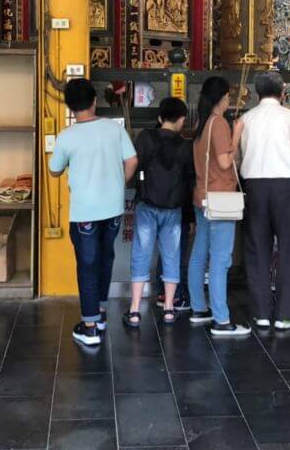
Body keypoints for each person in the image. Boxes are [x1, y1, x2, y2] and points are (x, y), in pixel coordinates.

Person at [49, 78, 138, 346]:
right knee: (105, 258)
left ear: (70, 107)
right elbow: (132, 160)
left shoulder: (66, 136)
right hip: (112, 209)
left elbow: (54, 170)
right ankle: (99, 315)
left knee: (87, 265)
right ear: (94, 101)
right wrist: (119, 184)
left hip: (84, 213)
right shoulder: (114, 129)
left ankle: (89, 329)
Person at [236, 70, 290, 330]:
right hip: (286, 188)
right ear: (283, 93)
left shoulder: (245, 119)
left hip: (254, 188)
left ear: (256, 93)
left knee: (256, 250)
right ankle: (286, 314)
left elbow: (236, 158)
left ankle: (261, 313)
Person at [188, 76, 250, 336]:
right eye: (227, 97)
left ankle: (198, 308)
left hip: (202, 196)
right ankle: (221, 320)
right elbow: (225, 162)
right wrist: (237, 135)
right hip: (220, 198)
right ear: (222, 98)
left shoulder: (200, 123)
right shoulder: (220, 123)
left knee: (199, 254)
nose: (228, 102)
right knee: (221, 258)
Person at [125, 97, 193, 329]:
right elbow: (189, 182)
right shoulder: (185, 146)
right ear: (182, 120)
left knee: (141, 254)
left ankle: (135, 310)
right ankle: (169, 309)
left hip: (147, 205)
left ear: (159, 117)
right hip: (173, 210)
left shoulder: (146, 137)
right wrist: (189, 217)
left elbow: (134, 165)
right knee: (172, 256)